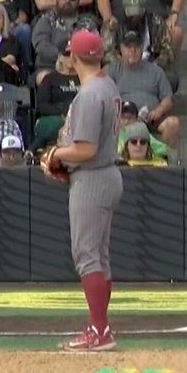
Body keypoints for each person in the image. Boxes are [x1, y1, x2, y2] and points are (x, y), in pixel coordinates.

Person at [41, 30, 124, 351]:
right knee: (98, 257)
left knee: (87, 256)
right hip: (104, 174)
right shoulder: (107, 85)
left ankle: (99, 331)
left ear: (73, 57)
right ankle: (100, 328)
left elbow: (85, 149)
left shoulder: (90, 94)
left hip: (92, 176)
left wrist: (56, 155)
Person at [107, 30, 179, 147]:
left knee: (173, 123)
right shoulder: (111, 71)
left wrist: (158, 111)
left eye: (137, 46)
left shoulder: (156, 71)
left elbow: (168, 99)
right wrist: (120, 115)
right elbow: (103, 98)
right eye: (128, 47)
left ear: (142, 48)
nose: (133, 50)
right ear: (120, 48)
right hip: (123, 118)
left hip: (151, 119)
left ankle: (167, 161)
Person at [33, 52, 80, 150]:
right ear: (60, 57)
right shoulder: (50, 78)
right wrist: (64, 109)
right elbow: (42, 106)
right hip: (57, 118)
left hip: (80, 117)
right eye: (67, 54)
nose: (70, 57)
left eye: (73, 54)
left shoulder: (84, 77)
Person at [32, 0, 83, 72]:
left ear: (78, 1)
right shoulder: (46, 20)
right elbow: (41, 46)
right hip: (49, 68)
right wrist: (62, 57)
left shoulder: (87, 23)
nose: (67, 0)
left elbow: (95, 48)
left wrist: (75, 59)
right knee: (42, 77)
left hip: (80, 69)